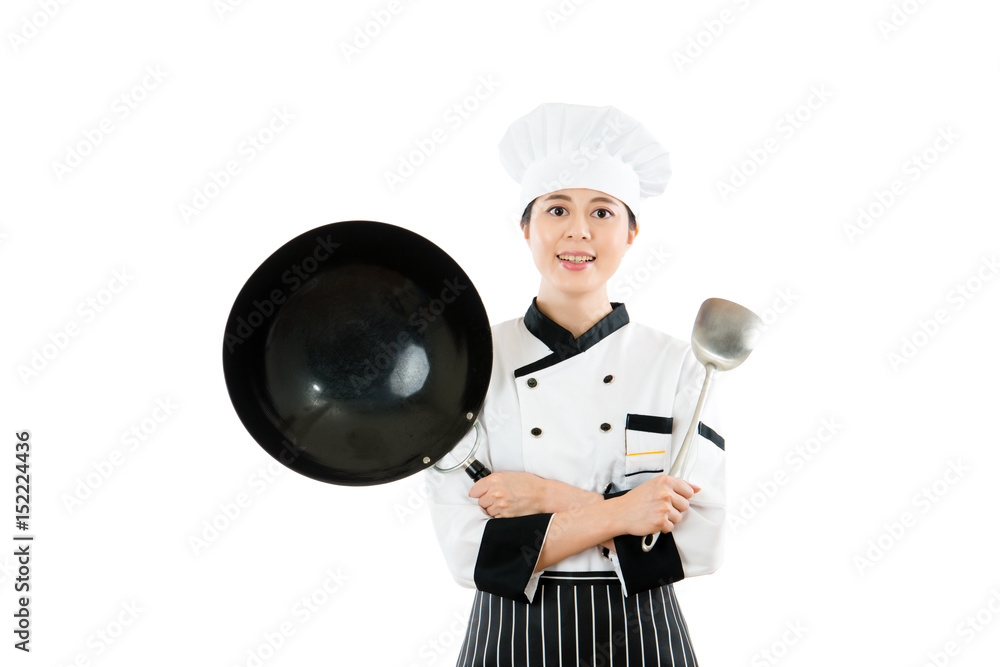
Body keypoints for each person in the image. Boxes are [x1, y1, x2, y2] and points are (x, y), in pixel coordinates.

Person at [428, 103, 727, 667]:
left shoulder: (679, 365)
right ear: (525, 227)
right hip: (511, 632)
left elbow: (698, 542)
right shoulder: (472, 359)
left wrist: (544, 498)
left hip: (642, 634)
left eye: (604, 212)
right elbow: (470, 552)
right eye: (557, 208)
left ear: (632, 231)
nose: (579, 231)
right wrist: (625, 513)